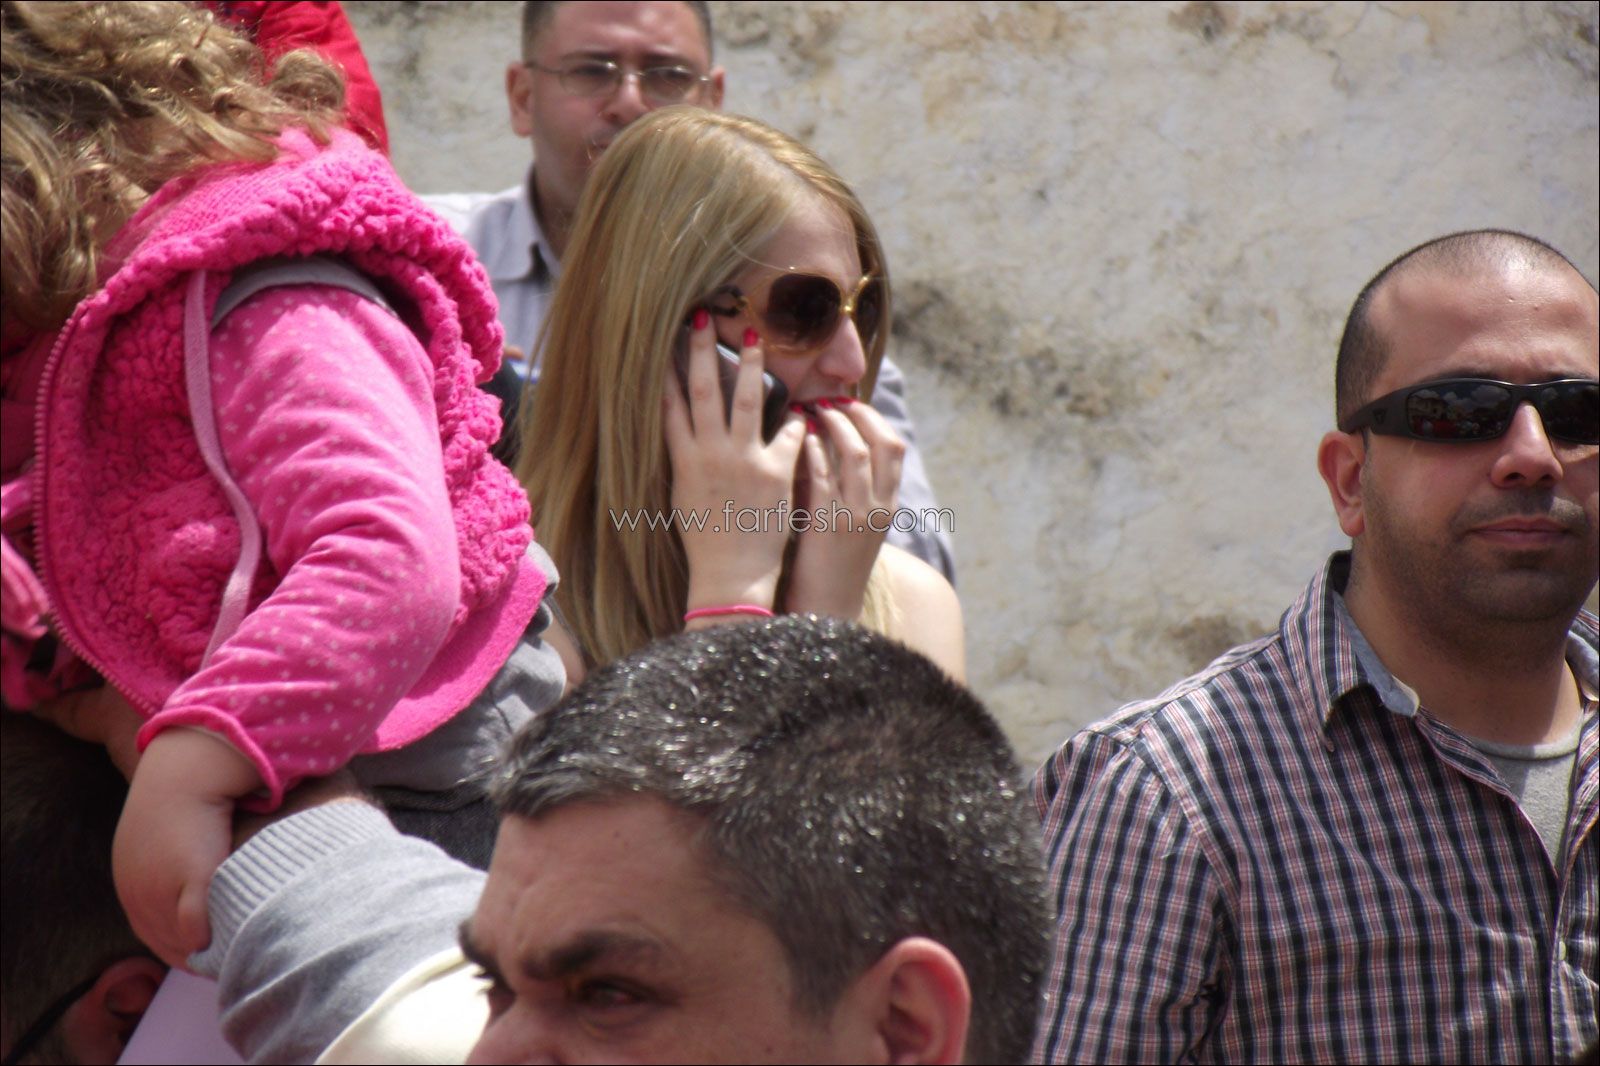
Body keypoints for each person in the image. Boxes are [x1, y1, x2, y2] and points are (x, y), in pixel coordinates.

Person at [1, 0, 562, 972]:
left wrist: (200, 759)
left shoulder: (265, 289)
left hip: (426, 774)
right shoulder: (70, 315)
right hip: (228, 744)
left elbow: (388, 556)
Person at [1032, 229, 1598, 1063]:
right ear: (1349, 481)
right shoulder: (1165, 796)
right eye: (1459, 412)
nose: (1531, 457)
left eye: (1579, 413)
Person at [189, 616, 1051, 1064]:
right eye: (492, 986)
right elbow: (307, 867)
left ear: (903, 1031)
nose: (485, 1054)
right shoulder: (411, 1026)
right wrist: (199, 744)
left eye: (607, 996)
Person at [427, 0, 958, 582]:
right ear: (522, 96)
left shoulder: (820, 335)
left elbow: (910, 565)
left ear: (713, 103)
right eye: (591, 70)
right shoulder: (421, 267)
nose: (630, 101)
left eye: (668, 75)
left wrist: (785, 512)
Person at [515, 105, 963, 682]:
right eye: (804, 309)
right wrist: (732, 599)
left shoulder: (914, 606)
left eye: (866, 306)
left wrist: (827, 623)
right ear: (663, 337)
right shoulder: (519, 617)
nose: (851, 361)